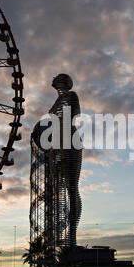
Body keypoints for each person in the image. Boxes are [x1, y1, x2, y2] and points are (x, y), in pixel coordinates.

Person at [49, 73, 83, 248]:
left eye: (56, 77)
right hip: (60, 142)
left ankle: (72, 237)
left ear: (63, 81)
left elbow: (75, 114)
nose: (52, 78)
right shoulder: (58, 101)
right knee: (60, 189)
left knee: (72, 188)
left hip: (70, 140)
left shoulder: (71, 96)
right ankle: (66, 237)